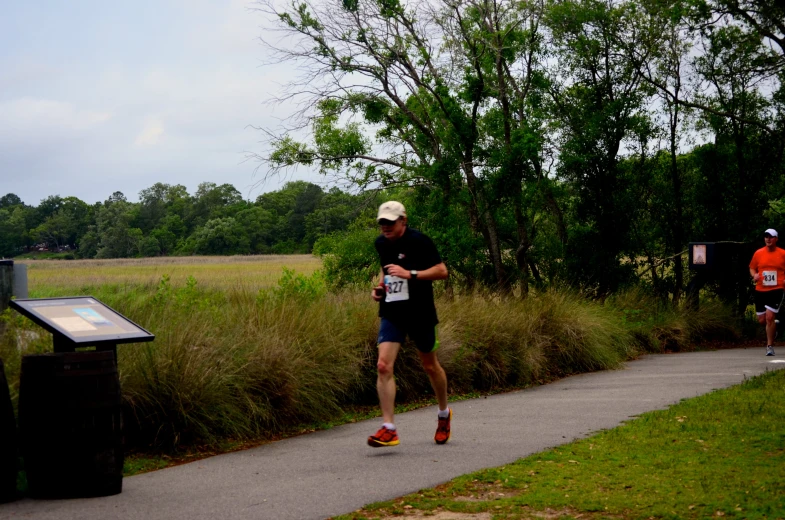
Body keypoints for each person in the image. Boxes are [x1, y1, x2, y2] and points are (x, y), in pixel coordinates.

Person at [367, 201, 451, 447]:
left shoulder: (420, 241)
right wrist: (380, 287)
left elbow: (442, 271)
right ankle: (389, 428)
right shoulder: (381, 243)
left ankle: (444, 414)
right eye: (382, 222)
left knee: (430, 366)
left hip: (421, 313)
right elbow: (386, 271)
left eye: (390, 222)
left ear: (403, 220)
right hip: (393, 311)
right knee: (383, 365)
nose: (385, 227)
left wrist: (410, 274)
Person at [749, 228, 785, 356]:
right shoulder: (758, 253)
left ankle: (769, 346)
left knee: (769, 317)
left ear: (776, 239)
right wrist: (754, 276)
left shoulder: (782, 253)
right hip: (761, 289)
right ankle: (774, 328)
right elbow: (752, 267)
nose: (768, 239)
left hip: (777, 289)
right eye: (766, 237)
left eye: (771, 237)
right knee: (762, 320)